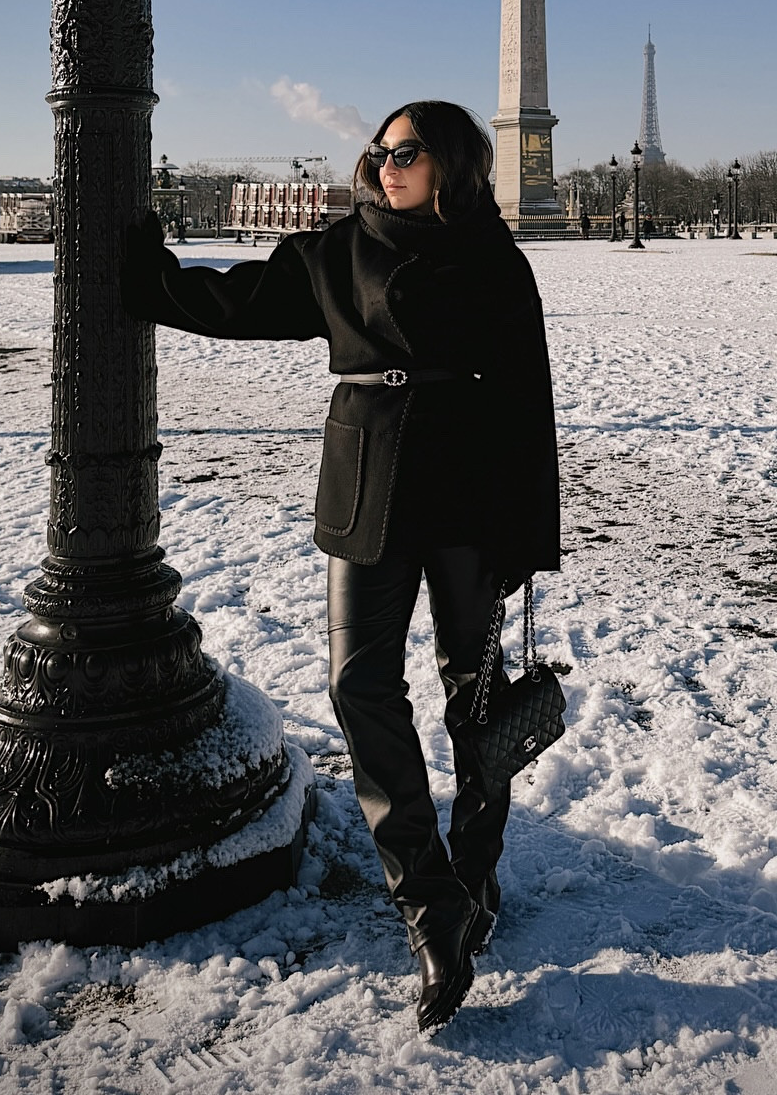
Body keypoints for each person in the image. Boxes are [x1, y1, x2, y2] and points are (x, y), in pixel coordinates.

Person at [121, 103, 559, 1031]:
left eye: (404, 153)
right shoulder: (339, 249)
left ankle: (476, 873)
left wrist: (529, 533)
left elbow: (528, 401)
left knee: (474, 696)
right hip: (368, 485)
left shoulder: (494, 256)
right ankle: (426, 896)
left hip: (472, 491)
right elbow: (235, 303)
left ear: (451, 163)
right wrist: (146, 271)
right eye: (379, 153)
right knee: (358, 684)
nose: (384, 166)